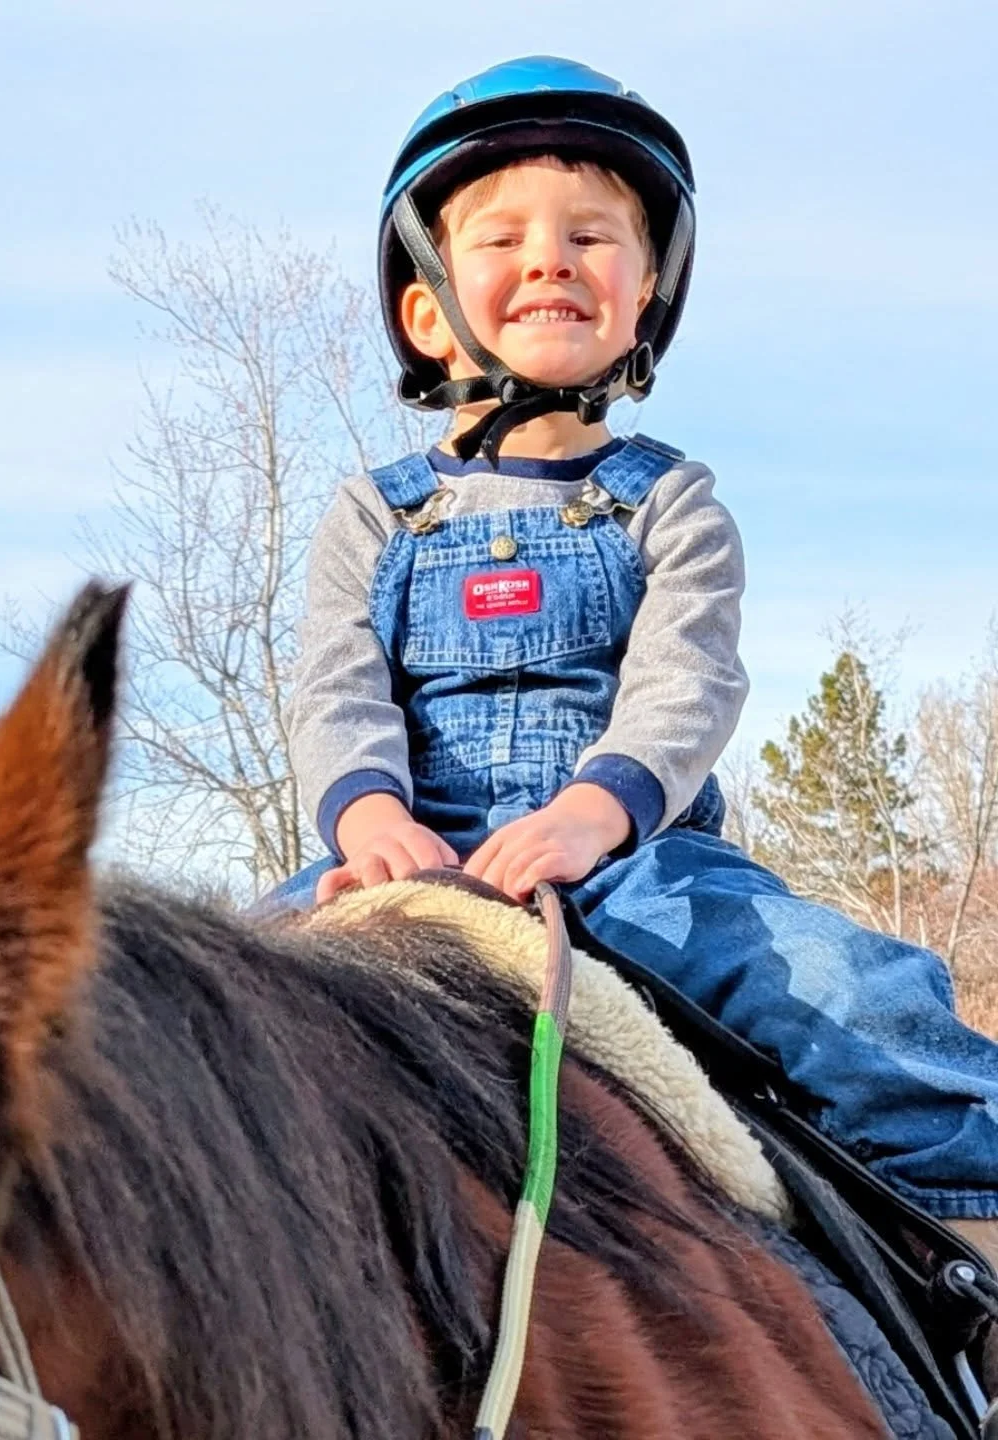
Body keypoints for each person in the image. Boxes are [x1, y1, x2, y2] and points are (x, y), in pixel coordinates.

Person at [272, 56, 998, 1260]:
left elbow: (686, 684)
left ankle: (973, 1251)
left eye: (590, 235)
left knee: (853, 994)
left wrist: (589, 815)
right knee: (193, 1006)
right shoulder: (374, 516)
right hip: (412, 853)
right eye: (504, 237)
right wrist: (368, 819)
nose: (550, 259)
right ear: (426, 309)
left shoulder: (669, 504)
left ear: (646, 289)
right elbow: (334, 689)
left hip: (636, 862)